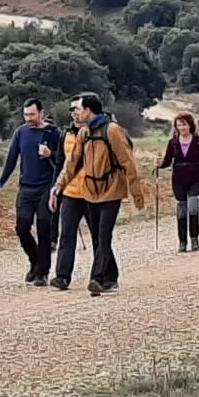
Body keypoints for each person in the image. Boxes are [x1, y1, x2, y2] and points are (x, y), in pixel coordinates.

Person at [50, 92, 145, 296]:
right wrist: (59, 186)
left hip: (111, 191)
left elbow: (128, 162)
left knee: (102, 236)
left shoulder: (112, 131)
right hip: (90, 192)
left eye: (78, 109)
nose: (75, 113)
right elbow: (72, 163)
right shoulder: (84, 133)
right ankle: (110, 277)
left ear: (88, 110)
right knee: (99, 236)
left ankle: (97, 278)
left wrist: (136, 194)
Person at [0, 98, 67, 285]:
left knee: (43, 228)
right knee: (22, 227)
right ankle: (35, 262)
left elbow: (64, 162)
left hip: (46, 188)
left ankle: (43, 272)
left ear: (41, 113)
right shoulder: (21, 132)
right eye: (25, 114)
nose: (28, 118)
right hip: (26, 187)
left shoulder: (54, 133)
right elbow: (11, 160)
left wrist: (51, 154)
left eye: (32, 114)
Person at [158, 112, 199, 252]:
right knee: (181, 210)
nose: (181, 127)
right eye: (179, 124)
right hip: (178, 180)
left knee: (193, 206)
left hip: (195, 178)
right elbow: (168, 160)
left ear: (190, 125)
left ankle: (194, 239)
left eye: (184, 124)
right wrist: (160, 164)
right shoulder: (173, 142)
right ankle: (182, 242)